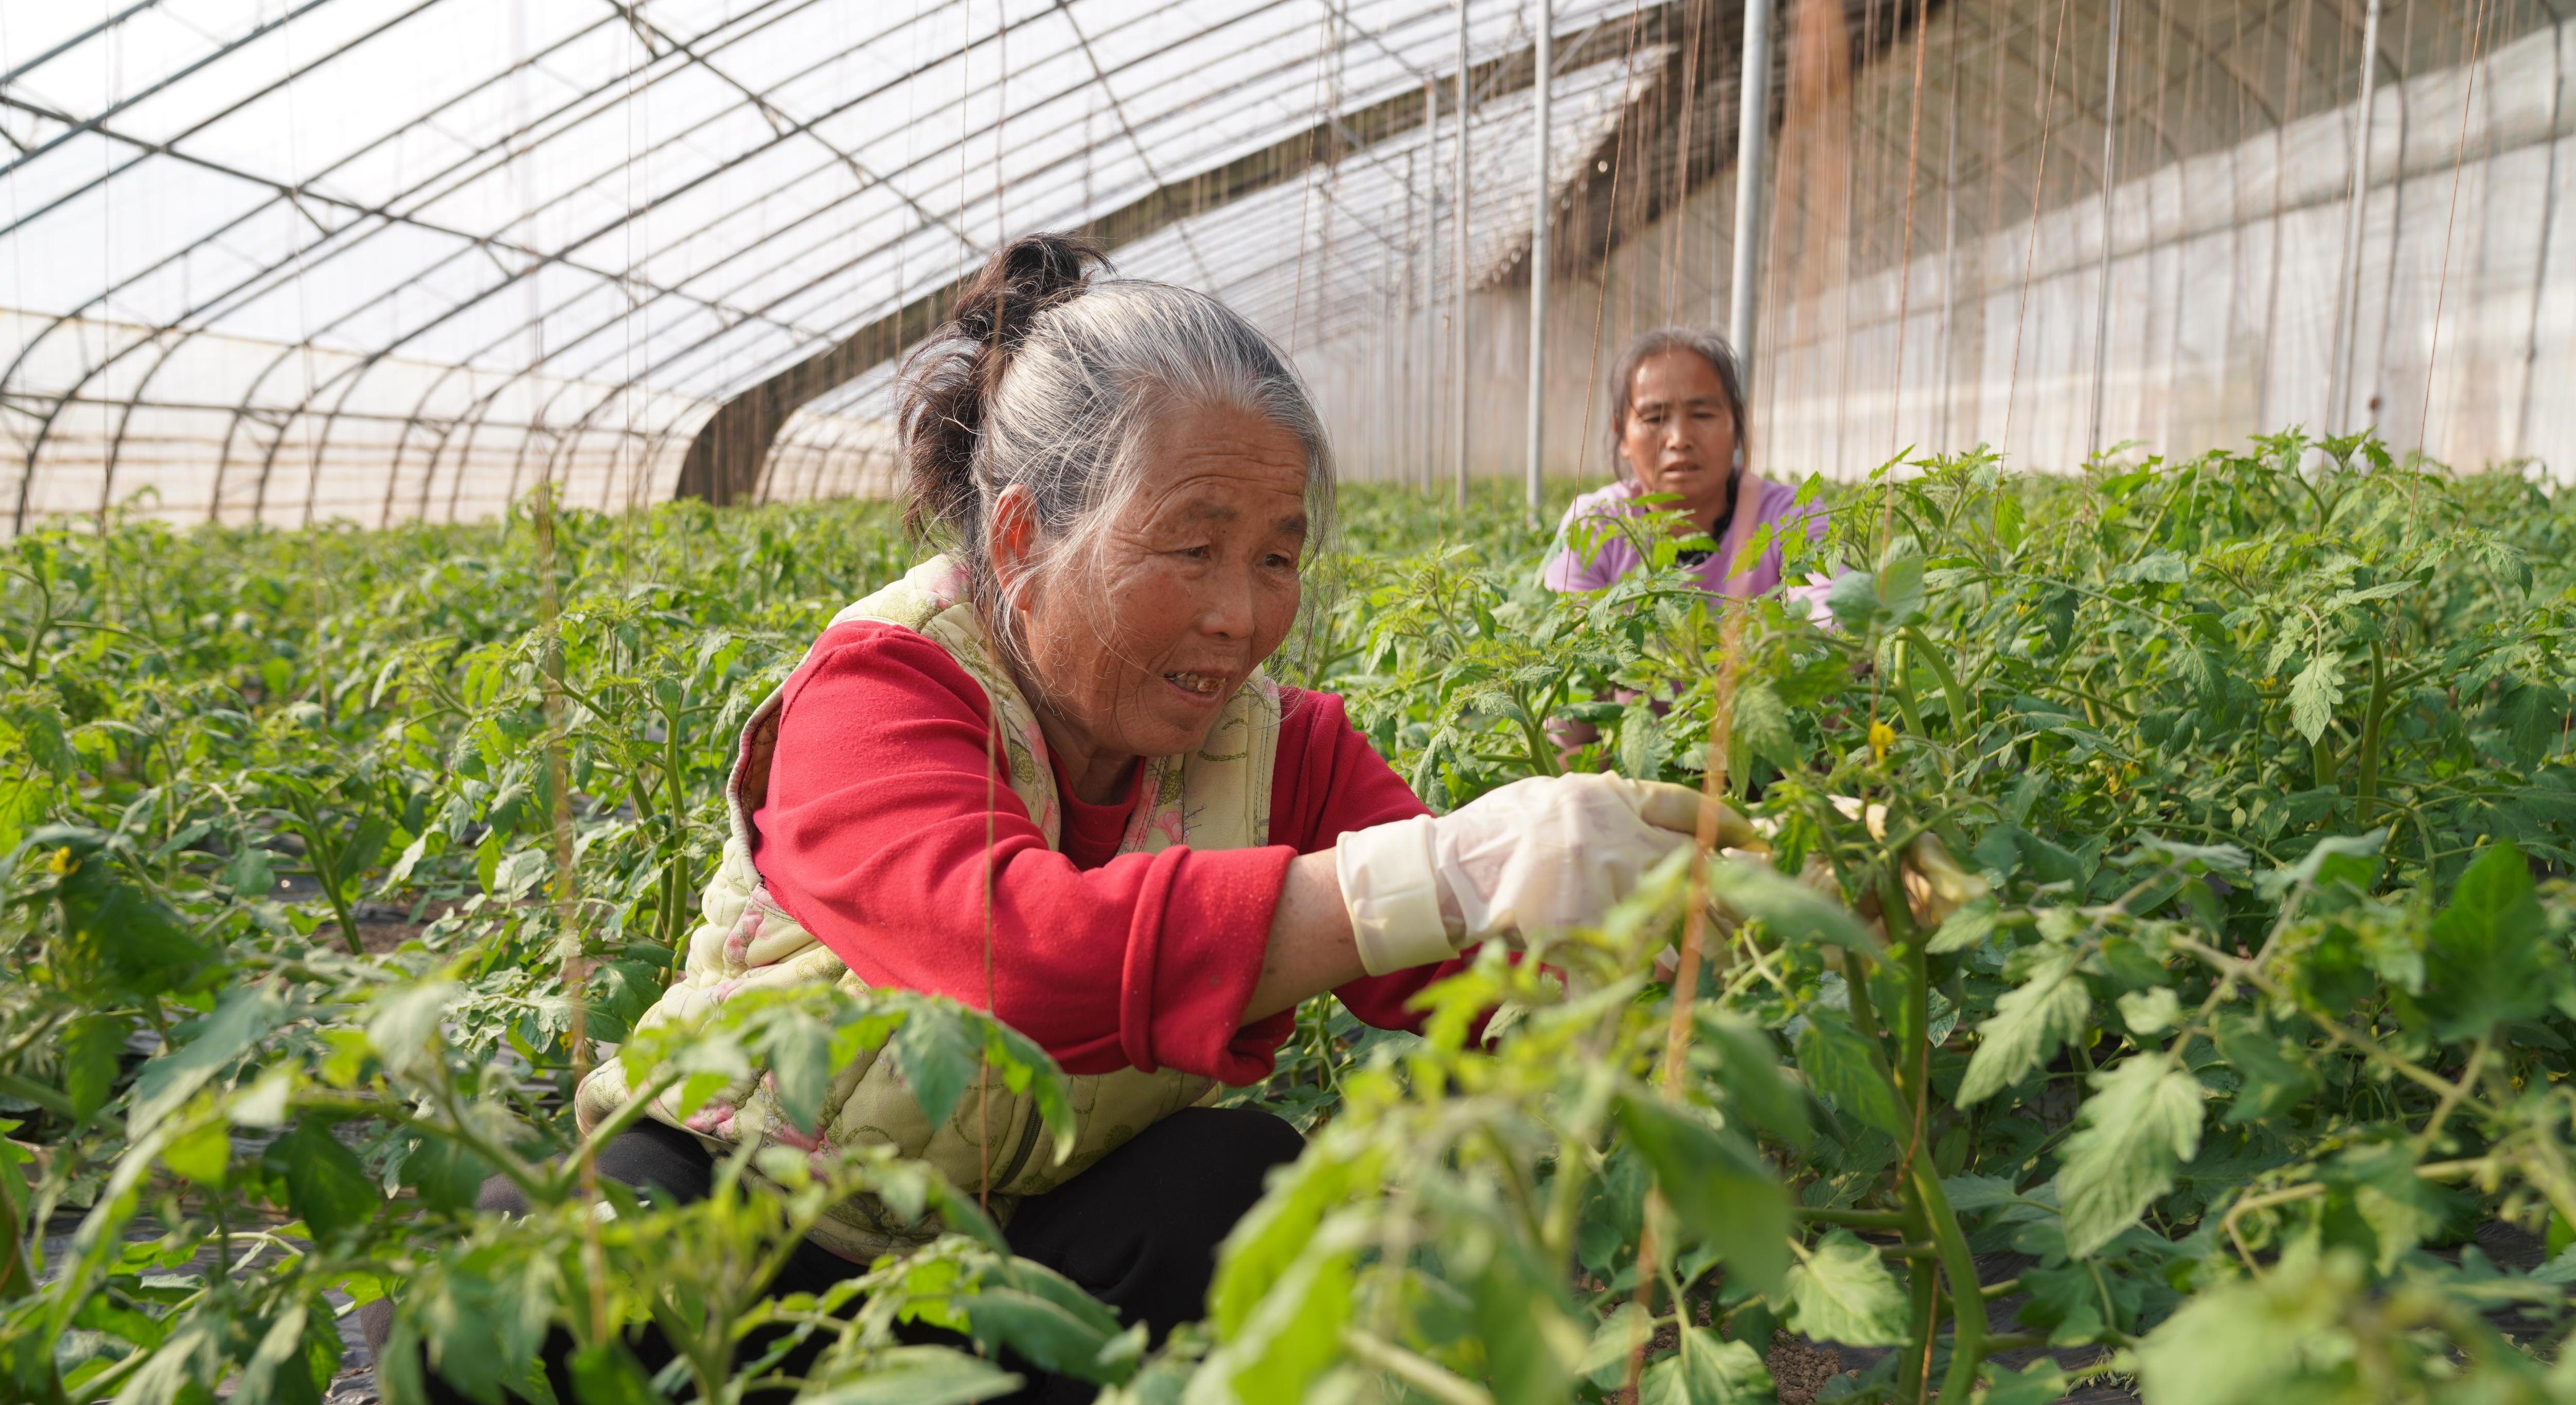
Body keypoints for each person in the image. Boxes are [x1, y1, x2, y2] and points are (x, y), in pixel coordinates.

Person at [374, 234, 1722, 1403]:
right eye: (1189, 548)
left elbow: (1483, 984)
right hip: (750, 1217)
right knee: (510, 1292)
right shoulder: (881, 685)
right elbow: (1013, 957)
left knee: (1234, 1182)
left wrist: (1687, 928)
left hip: (1000, 1274)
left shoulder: (1286, 750)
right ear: (1021, 538)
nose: (1239, 614)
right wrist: (1429, 875)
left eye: (1276, 555)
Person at [1542, 328, 1829, 606]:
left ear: (1737, 427)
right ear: (1622, 434)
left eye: (1703, 415)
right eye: (1655, 419)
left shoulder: (1792, 516)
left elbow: (1830, 618)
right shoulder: (1595, 523)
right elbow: (1573, 640)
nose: (1679, 439)